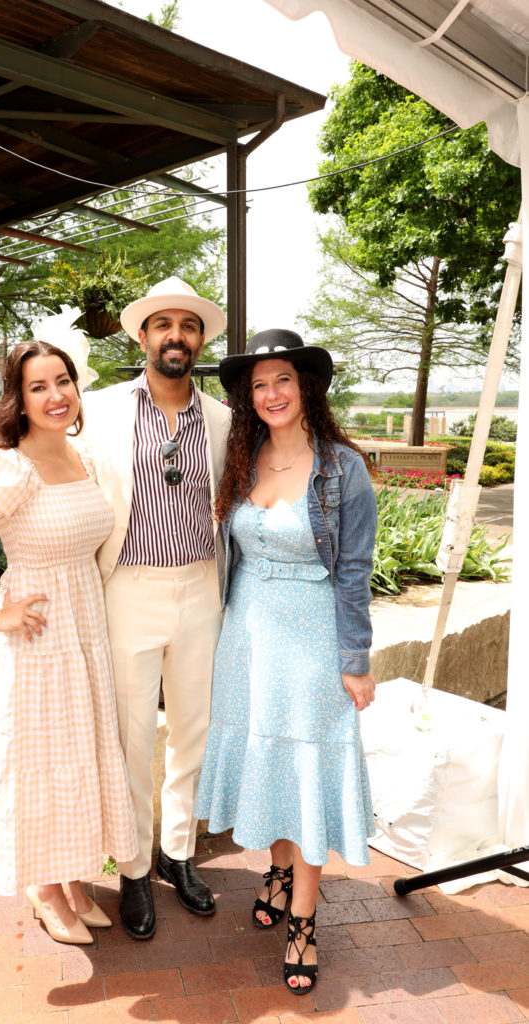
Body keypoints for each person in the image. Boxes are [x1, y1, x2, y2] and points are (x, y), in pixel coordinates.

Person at [0, 339, 138, 945]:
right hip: (38, 641)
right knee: (42, 764)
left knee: (80, 755)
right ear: (18, 398)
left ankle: (72, 877)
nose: (56, 395)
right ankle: (43, 889)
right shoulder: (10, 468)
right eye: (38, 386)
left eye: (63, 380)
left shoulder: (81, 455)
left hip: (84, 630)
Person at [194, 329, 377, 993]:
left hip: (311, 638)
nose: (271, 394)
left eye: (283, 381)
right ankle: (277, 870)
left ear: (306, 389)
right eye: (259, 385)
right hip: (246, 636)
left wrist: (354, 658)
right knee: (269, 761)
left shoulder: (342, 468)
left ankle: (303, 918)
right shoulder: (241, 459)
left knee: (306, 769)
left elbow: (354, 569)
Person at [82, 277, 230, 940]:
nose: (176, 335)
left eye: (188, 325)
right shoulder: (99, 410)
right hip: (127, 588)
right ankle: (135, 867)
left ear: (199, 340)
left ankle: (178, 852)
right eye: (163, 324)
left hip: (200, 588)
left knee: (194, 731)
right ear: (142, 336)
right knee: (133, 736)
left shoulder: (223, 419)